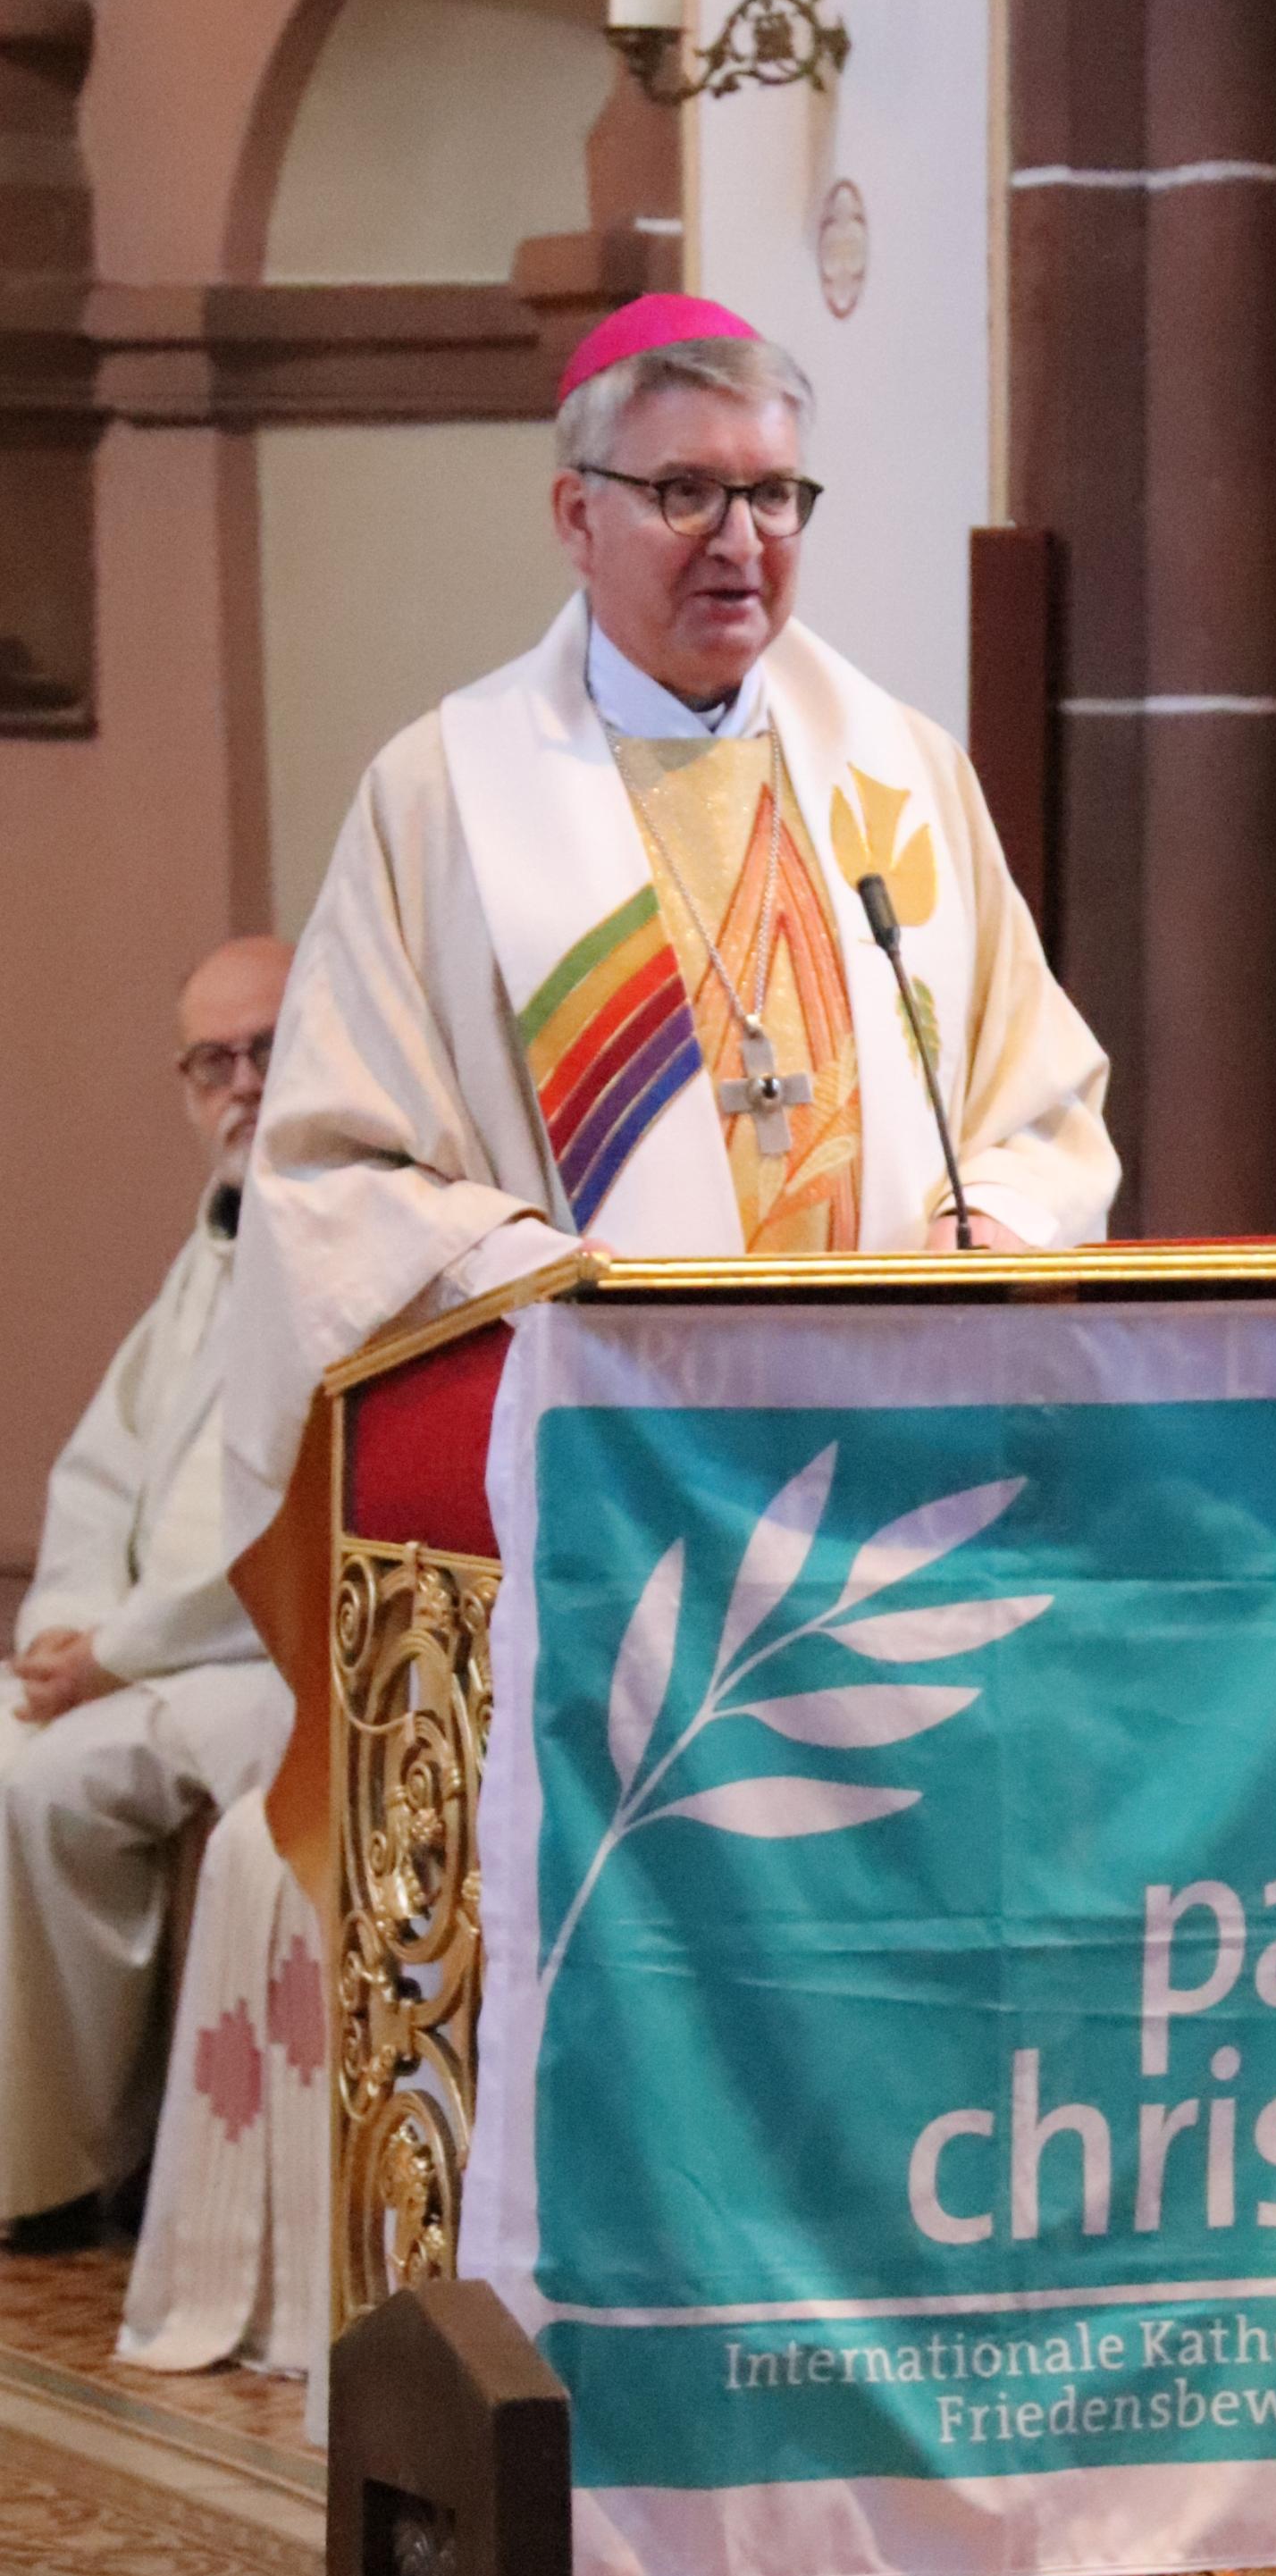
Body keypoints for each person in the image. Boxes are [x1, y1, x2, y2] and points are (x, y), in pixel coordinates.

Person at [223, 291, 1120, 1551]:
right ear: (575, 515)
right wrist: (543, 1281)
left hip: (900, 1475)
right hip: (601, 1495)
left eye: (772, 494)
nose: (740, 540)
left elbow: (1040, 1103)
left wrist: (997, 1221)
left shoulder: (905, 773)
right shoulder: (446, 801)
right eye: (686, 492)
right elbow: (335, 1170)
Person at [0, 936, 296, 2247]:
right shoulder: (211, 1251)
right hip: (148, 1654)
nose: (241, 1085)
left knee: (37, 1782)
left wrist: (116, 1653)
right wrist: (62, 1625)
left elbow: (289, 1515)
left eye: (268, 1051)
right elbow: (102, 1465)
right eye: (212, 1062)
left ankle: (65, 2167)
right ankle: (36, 2146)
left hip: (259, 1662)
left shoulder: (343, 1249)